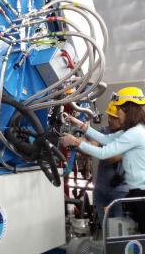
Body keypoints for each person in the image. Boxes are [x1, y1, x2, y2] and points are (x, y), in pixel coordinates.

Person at [60, 87, 145, 233]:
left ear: (128, 110)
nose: (117, 113)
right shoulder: (133, 131)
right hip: (135, 191)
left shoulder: (135, 133)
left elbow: (104, 153)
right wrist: (80, 124)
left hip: (140, 193)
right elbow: (106, 139)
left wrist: (75, 142)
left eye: (119, 110)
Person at [93, 102, 128, 225]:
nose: (110, 120)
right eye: (109, 116)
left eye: (114, 117)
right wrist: (79, 142)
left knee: (120, 227)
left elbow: (110, 158)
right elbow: (93, 145)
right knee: (105, 228)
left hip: (120, 191)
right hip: (100, 189)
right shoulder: (104, 130)